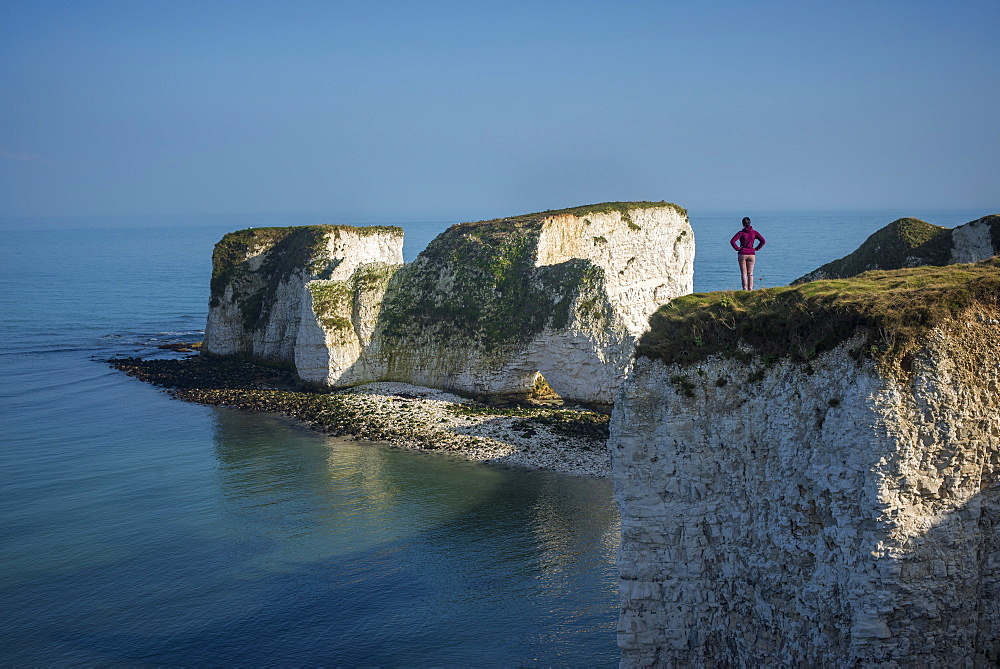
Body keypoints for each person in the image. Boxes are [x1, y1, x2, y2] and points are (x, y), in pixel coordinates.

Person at [730, 217, 766, 290]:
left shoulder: (740, 233)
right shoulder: (754, 232)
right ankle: (750, 288)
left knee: (744, 273)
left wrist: (737, 248)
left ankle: (744, 289)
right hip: (751, 253)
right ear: (750, 223)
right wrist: (756, 248)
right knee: (750, 273)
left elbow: (732, 241)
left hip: (742, 253)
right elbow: (763, 241)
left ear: (743, 224)